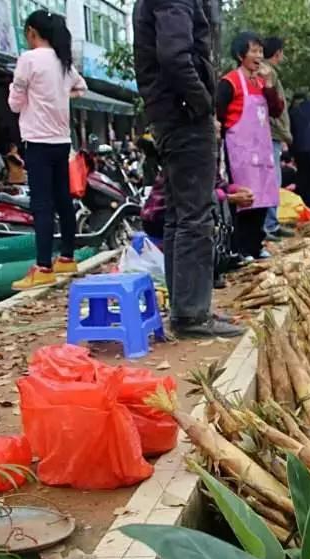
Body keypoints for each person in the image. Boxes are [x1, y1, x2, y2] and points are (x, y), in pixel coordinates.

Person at [134, 0, 242, 338]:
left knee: (180, 215)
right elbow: (175, 56)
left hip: (172, 114)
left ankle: (187, 310)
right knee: (195, 215)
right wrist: (202, 103)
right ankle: (192, 315)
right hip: (183, 116)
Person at [8, 10, 87, 291]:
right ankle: (67, 256)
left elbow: (15, 104)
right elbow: (81, 87)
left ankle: (43, 266)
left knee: (42, 204)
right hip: (60, 140)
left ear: (31, 31)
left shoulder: (28, 59)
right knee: (63, 199)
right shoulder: (62, 60)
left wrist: (29, 97)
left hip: (38, 141)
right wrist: (59, 96)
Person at [216, 32, 284, 263]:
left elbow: (276, 110)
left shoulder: (262, 83)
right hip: (239, 151)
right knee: (243, 199)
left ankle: (256, 245)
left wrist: (271, 85)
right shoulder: (229, 82)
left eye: (260, 51)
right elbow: (218, 115)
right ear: (240, 55)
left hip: (262, 148)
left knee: (263, 196)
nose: (258, 56)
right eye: (253, 51)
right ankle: (241, 248)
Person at [262, 36, 294, 241]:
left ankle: (271, 224)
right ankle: (269, 226)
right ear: (278, 53)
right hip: (270, 134)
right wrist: (282, 132)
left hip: (274, 134)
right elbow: (272, 107)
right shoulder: (267, 73)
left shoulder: (270, 72)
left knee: (275, 180)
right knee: (271, 181)